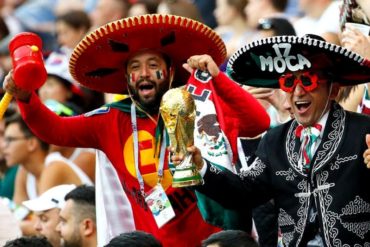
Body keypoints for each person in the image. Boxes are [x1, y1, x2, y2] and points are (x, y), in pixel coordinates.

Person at [3, 14, 270, 247]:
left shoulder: (200, 102)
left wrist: (217, 78)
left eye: (153, 65)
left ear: (170, 70)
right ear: (126, 78)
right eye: (134, 67)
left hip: (217, 242)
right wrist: (27, 99)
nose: (144, 73)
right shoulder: (110, 119)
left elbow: (258, 123)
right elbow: (55, 131)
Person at [178, 34, 370, 245]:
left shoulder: (363, 131)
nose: (298, 91)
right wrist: (202, 166)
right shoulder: (275, 140)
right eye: (289, 82)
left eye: (308, 80)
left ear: (333, 90)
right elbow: (243, 192)